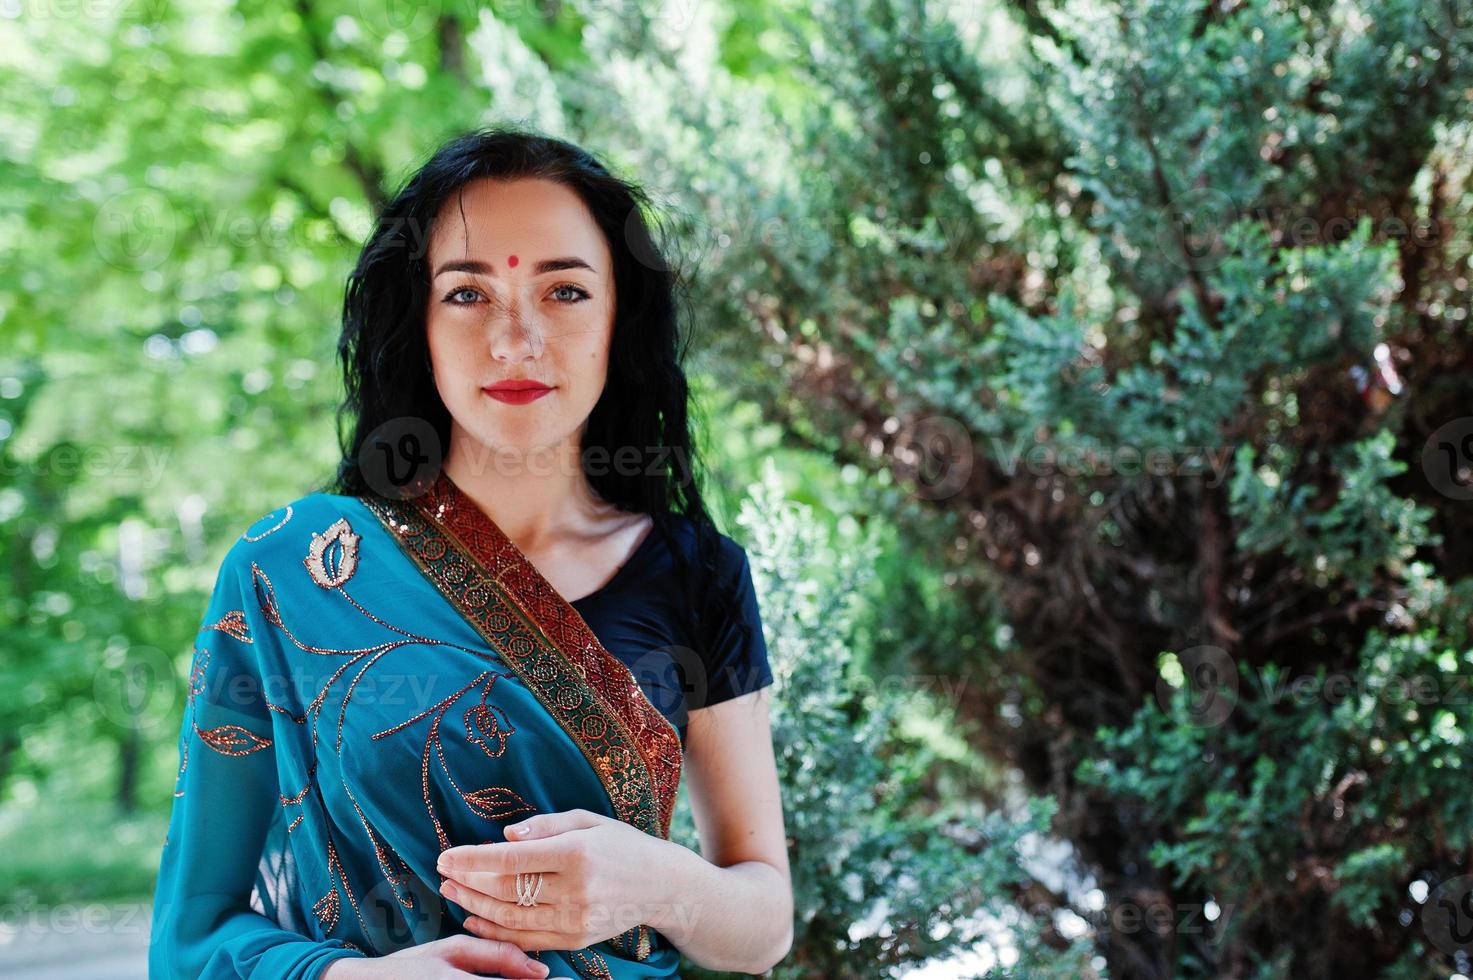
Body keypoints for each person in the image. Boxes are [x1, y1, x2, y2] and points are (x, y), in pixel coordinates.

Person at [148, 126, 793, 979]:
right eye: (466, 294)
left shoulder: (698, 573)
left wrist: (659, 886)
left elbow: (765, 924)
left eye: (564, 292)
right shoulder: (288, 572)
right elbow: (191, 936)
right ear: (415, 319)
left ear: (618, 321)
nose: (515, 339)